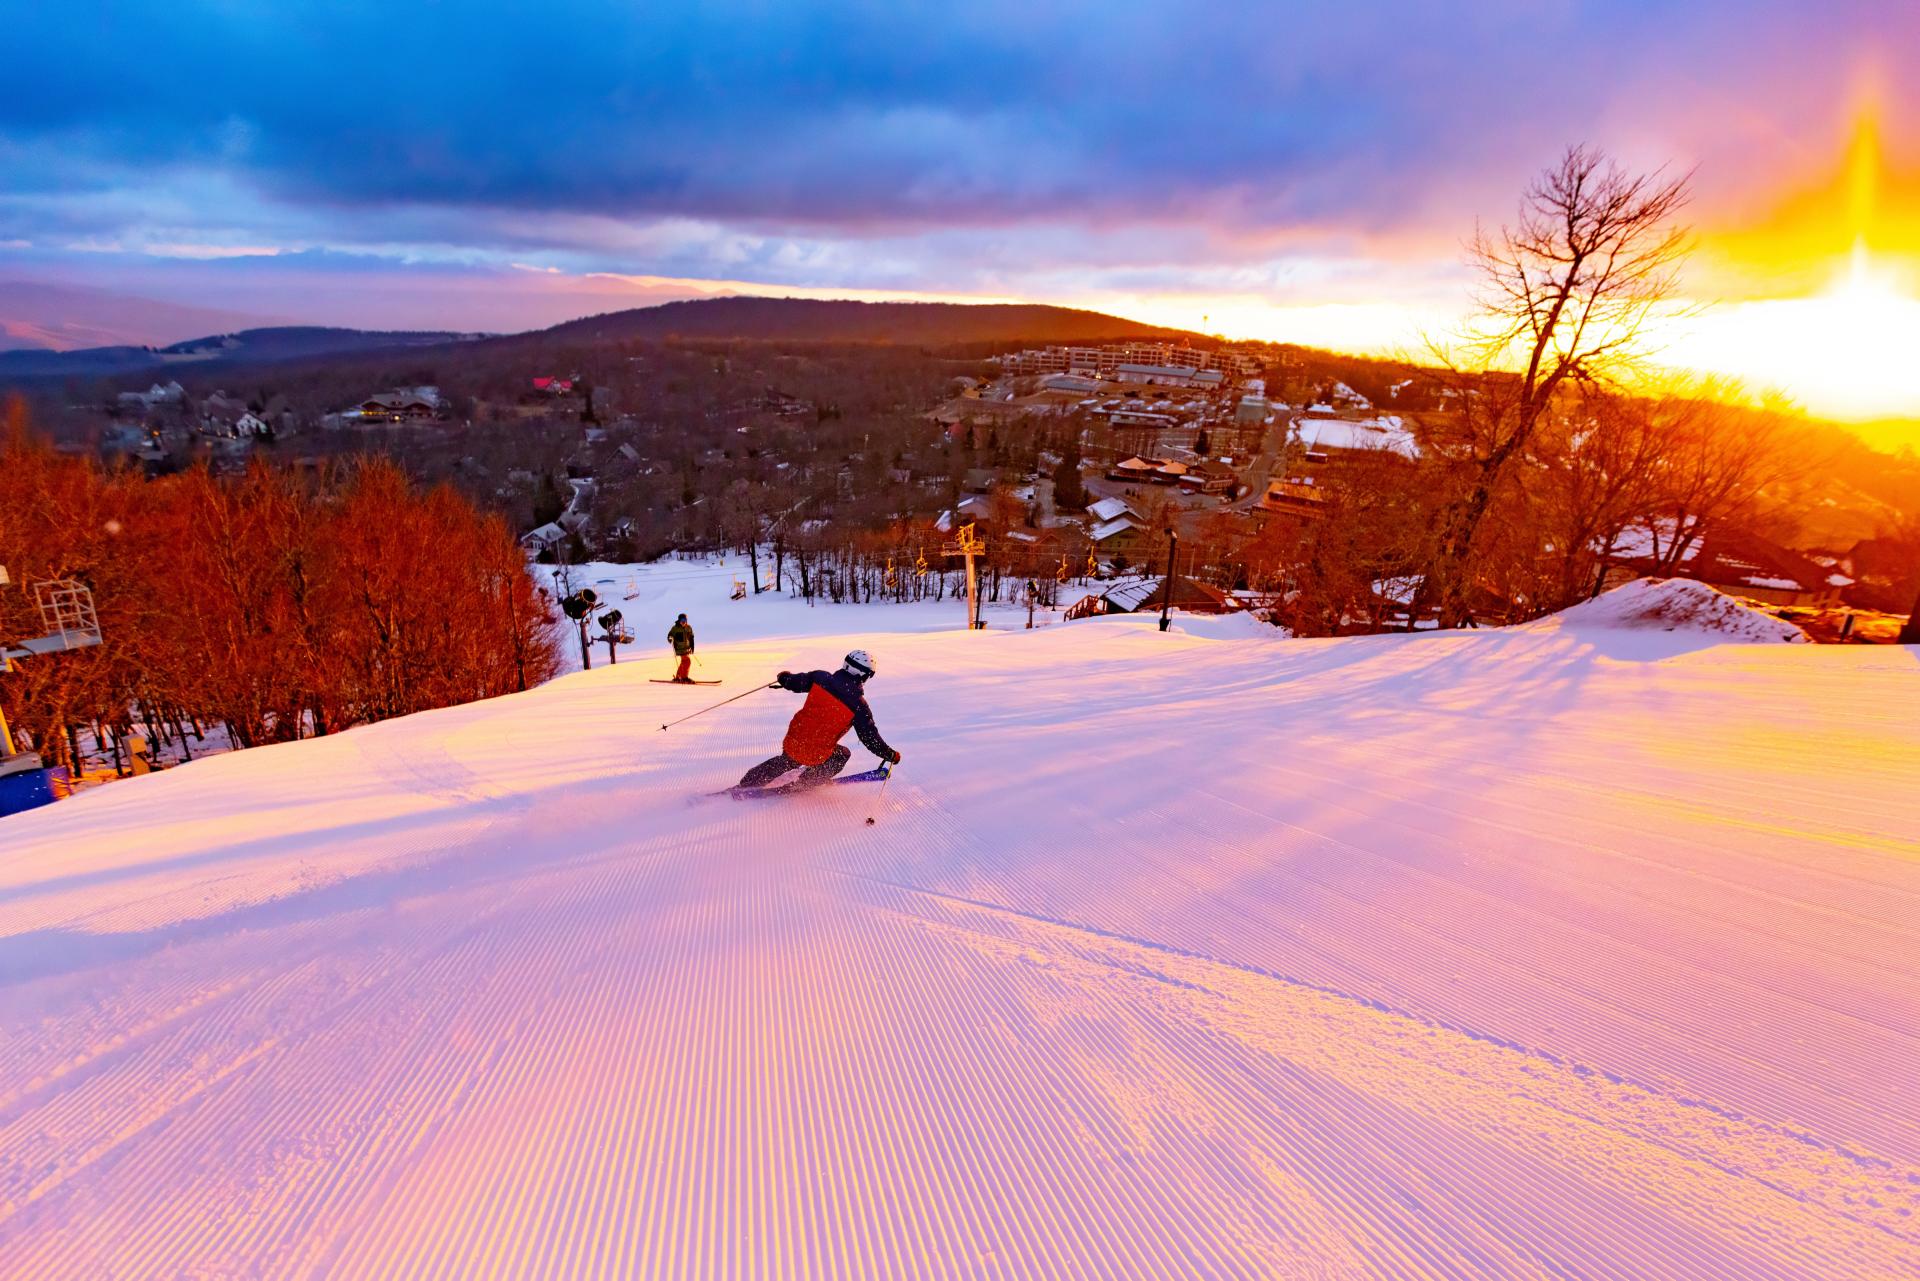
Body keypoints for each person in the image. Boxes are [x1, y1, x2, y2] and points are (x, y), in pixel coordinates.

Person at [738, 649, 902, 791]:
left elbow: (794, 682)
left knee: (789, 759)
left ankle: (748, 782)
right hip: (817, 750)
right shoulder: (859, 706)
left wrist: (784, 677)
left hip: (794, 737)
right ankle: (804, 783)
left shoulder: (821, 678)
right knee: (842, 754)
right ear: (863, 675)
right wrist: (890, 755)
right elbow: (870, 739)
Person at [666, 613, 695, 683]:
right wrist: (670, 638)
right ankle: (684, 678)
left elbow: (691, 638)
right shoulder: (675, 628)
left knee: (683, 662)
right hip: (679, 648)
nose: (683, 622)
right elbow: (670, 635)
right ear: (679, 620)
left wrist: (692, 647)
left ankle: (678, 677)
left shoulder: (688, 627)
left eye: (685, 620)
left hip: (686, 649)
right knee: (687, 661)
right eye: (682, 620)